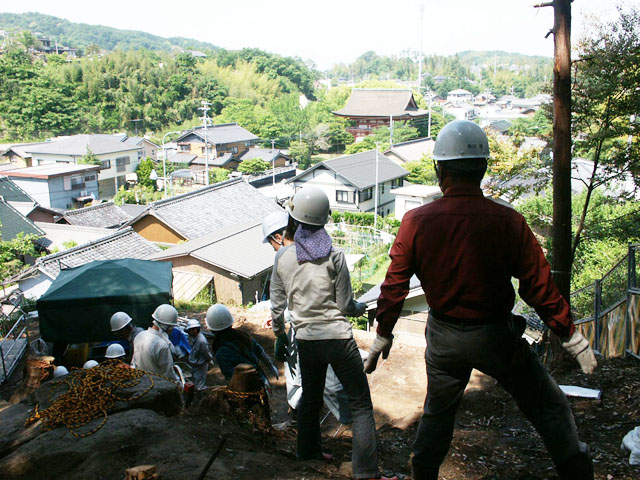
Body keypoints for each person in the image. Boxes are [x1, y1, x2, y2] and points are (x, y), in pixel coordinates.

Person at [365, 119, 597, 480]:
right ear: (483, 168)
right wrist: (571, 336)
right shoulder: (507, 221)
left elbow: (395, 285)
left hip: (443, 338)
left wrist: (383, 333)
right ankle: (575, 470)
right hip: (495, 337)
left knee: (438, 413)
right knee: (547, 403)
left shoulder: (416, 221)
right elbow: (537, 286)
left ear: (440, 169)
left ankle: (422, 473)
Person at [270, 186, 396, 480]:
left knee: (310, 399)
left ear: (294, 218)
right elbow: (344, 304)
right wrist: (360, 306)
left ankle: (308, 451)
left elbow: (277, 306)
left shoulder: (283, 258)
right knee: (361, 405)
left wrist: (279, 335)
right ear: (324, 219)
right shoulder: (335, 257)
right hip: (338, 340)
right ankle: (366, 472)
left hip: (306, 341)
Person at [262, 210, 353, 424]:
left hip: (306, 331)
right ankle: (343, 419)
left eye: (272, 243)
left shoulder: (284, 256)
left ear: (278, 236)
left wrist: (279, 332)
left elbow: (280, 300)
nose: (274, 249)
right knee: (318, 381)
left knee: (311, 382)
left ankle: (342, 422)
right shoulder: (321, 250)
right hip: (330, 328)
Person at [206, 304, 279, 387]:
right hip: (261, 380)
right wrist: (271, 366)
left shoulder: (221, 352)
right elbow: (260, 351)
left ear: (212, 329)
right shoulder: (242, 336)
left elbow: (231, 378)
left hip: (247, 389)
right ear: (230, 322)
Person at [132, 304, 179, 380]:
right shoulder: (162, 345)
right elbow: (168, 374)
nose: (172, 330)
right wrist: (179, 383)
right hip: (157, 387)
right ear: (166, 326)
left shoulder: (139, 336)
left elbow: (134, 363)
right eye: (172, 327)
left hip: (140, 382)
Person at [185, 318, 213, 391]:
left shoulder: (201, 341)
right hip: (195, 364)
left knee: (199, 385)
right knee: (194, 380)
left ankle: (201, 396)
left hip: (200, 365)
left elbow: (206, 353)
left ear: (195, 330)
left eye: (190, 330)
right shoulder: (193, 337)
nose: (188, 332)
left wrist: (209, 360)